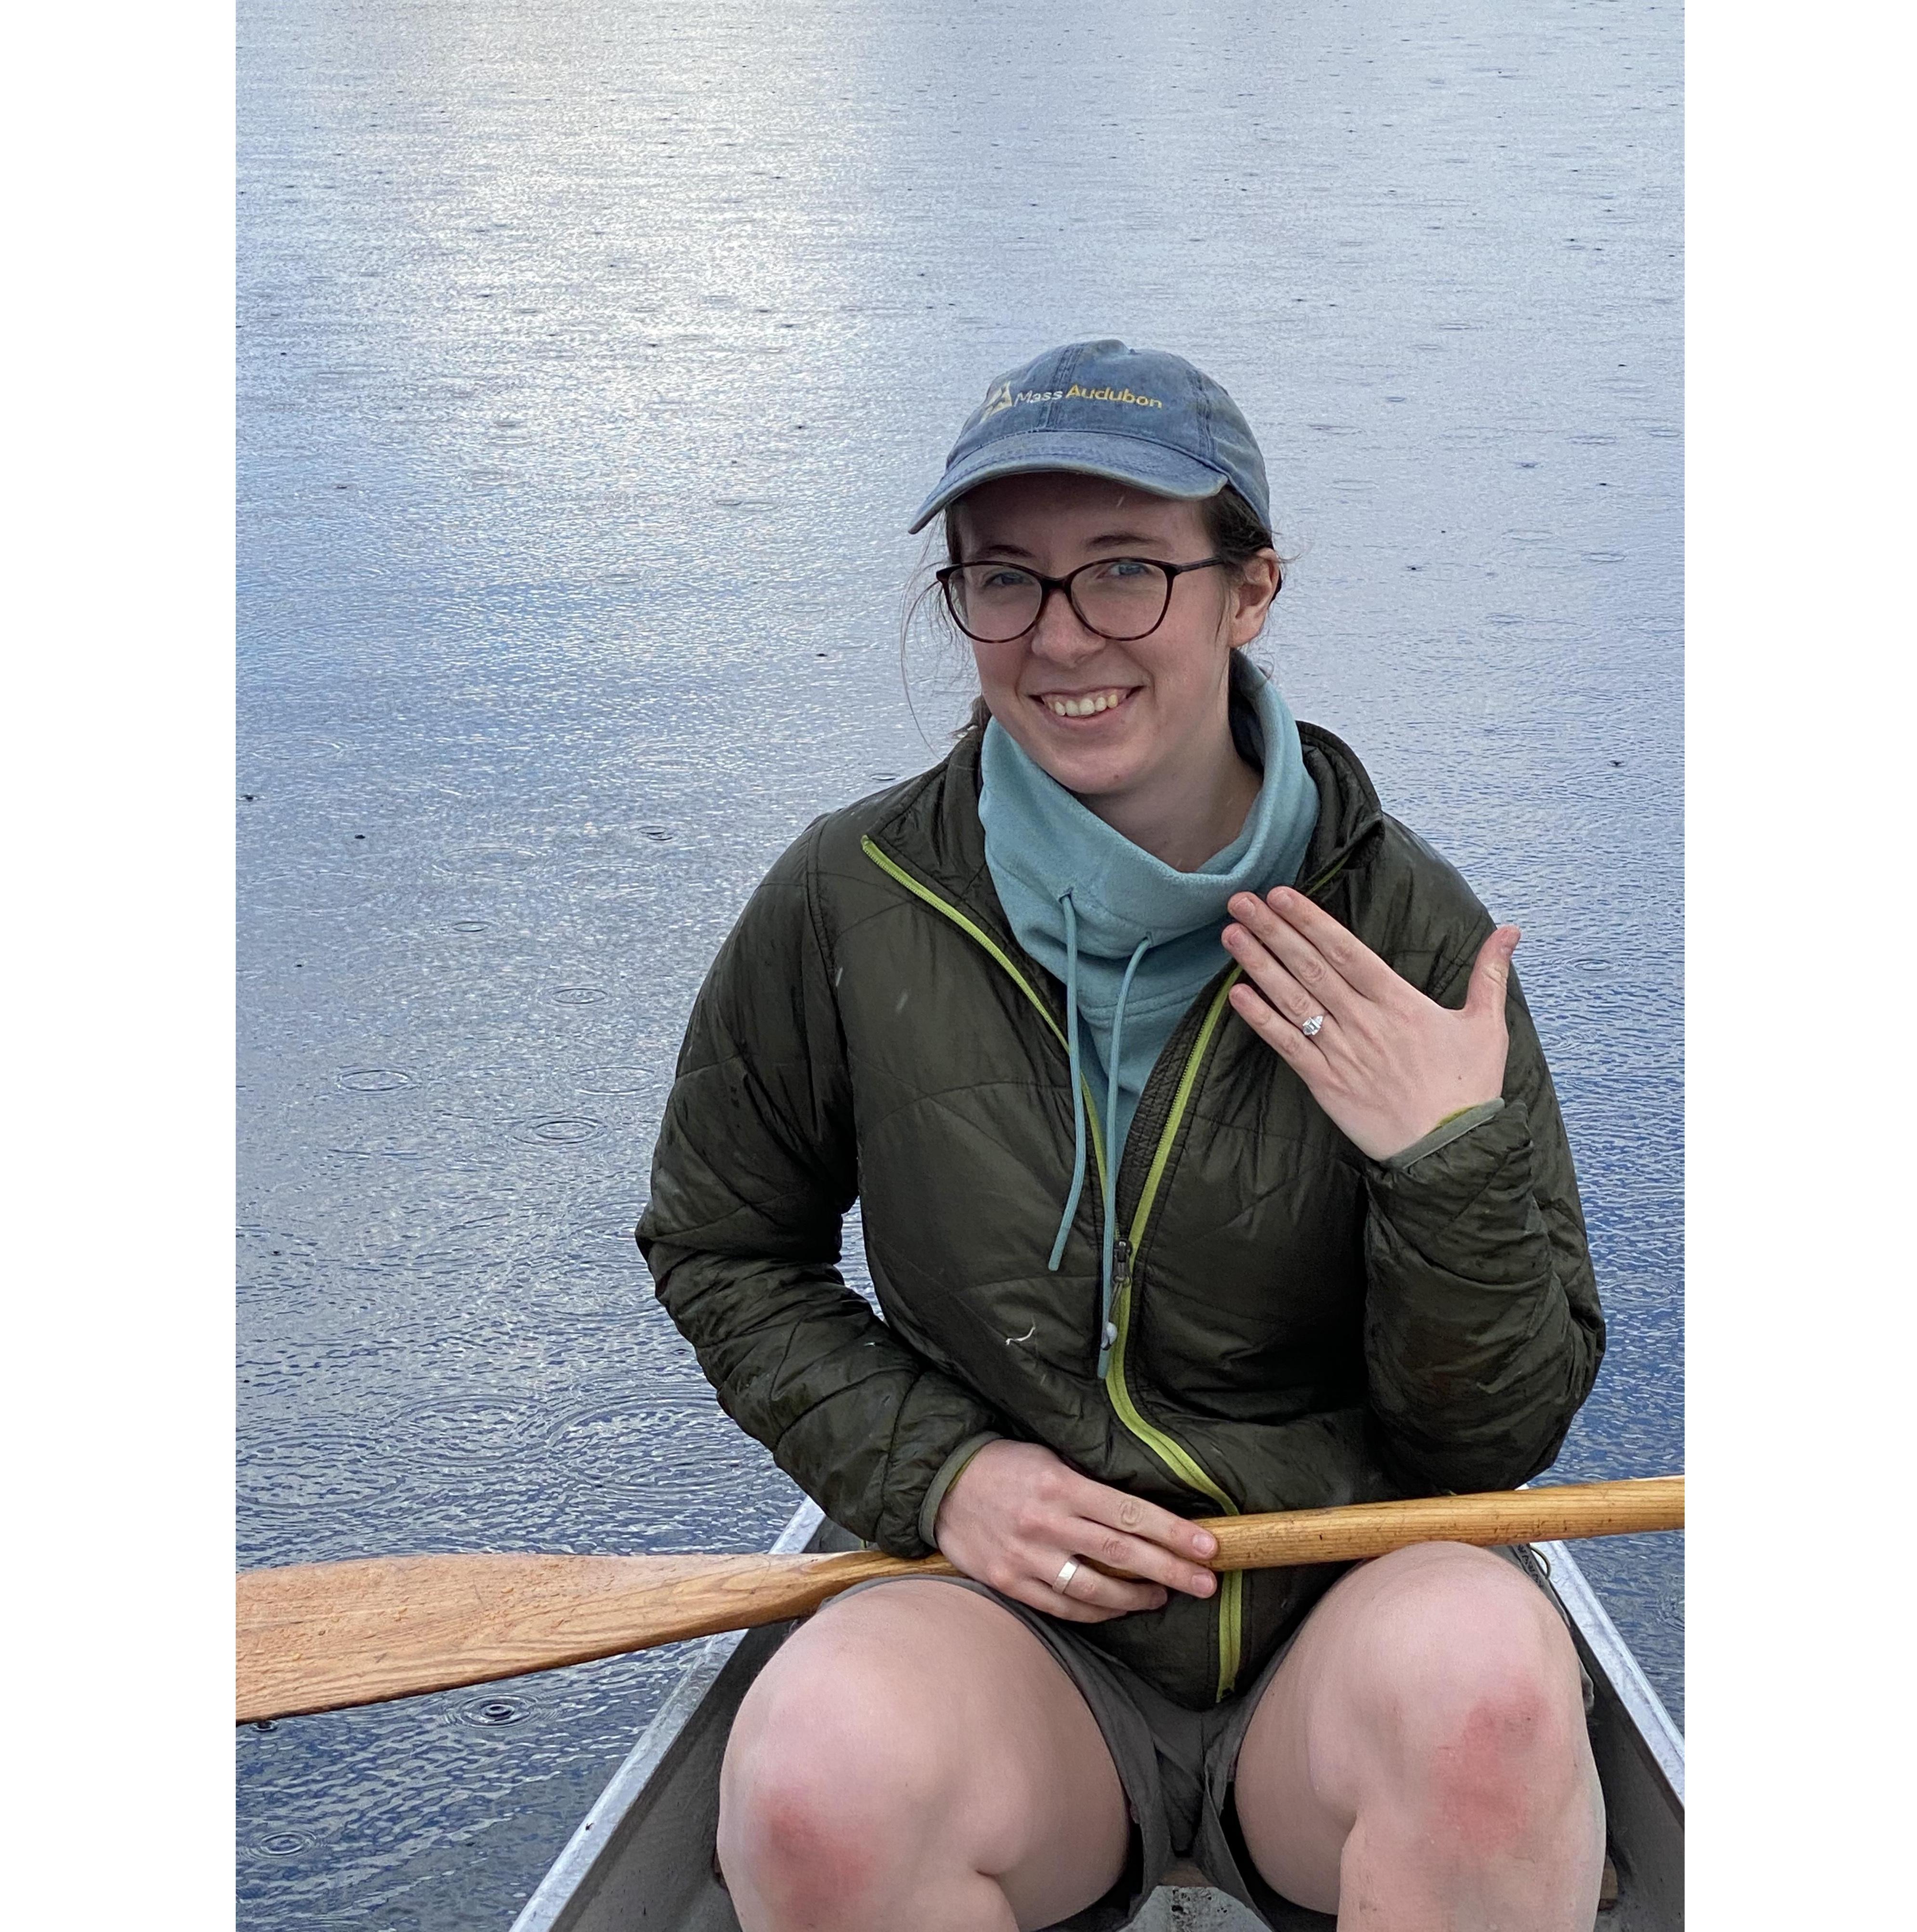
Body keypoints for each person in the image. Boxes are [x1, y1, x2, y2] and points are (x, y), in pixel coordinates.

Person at [637, 339, 1607, 1932]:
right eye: (1005, 580)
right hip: (1013, 1638)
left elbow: (1492, 1452)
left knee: (1495, 1693)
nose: (1061, 638)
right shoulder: (854, 901)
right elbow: (724, 1245)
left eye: (1127, 574)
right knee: (813, 1777)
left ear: (1251, 589)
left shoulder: (1408, 931)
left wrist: (1449, 1171)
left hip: (1336, 1618)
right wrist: (943, 1472)